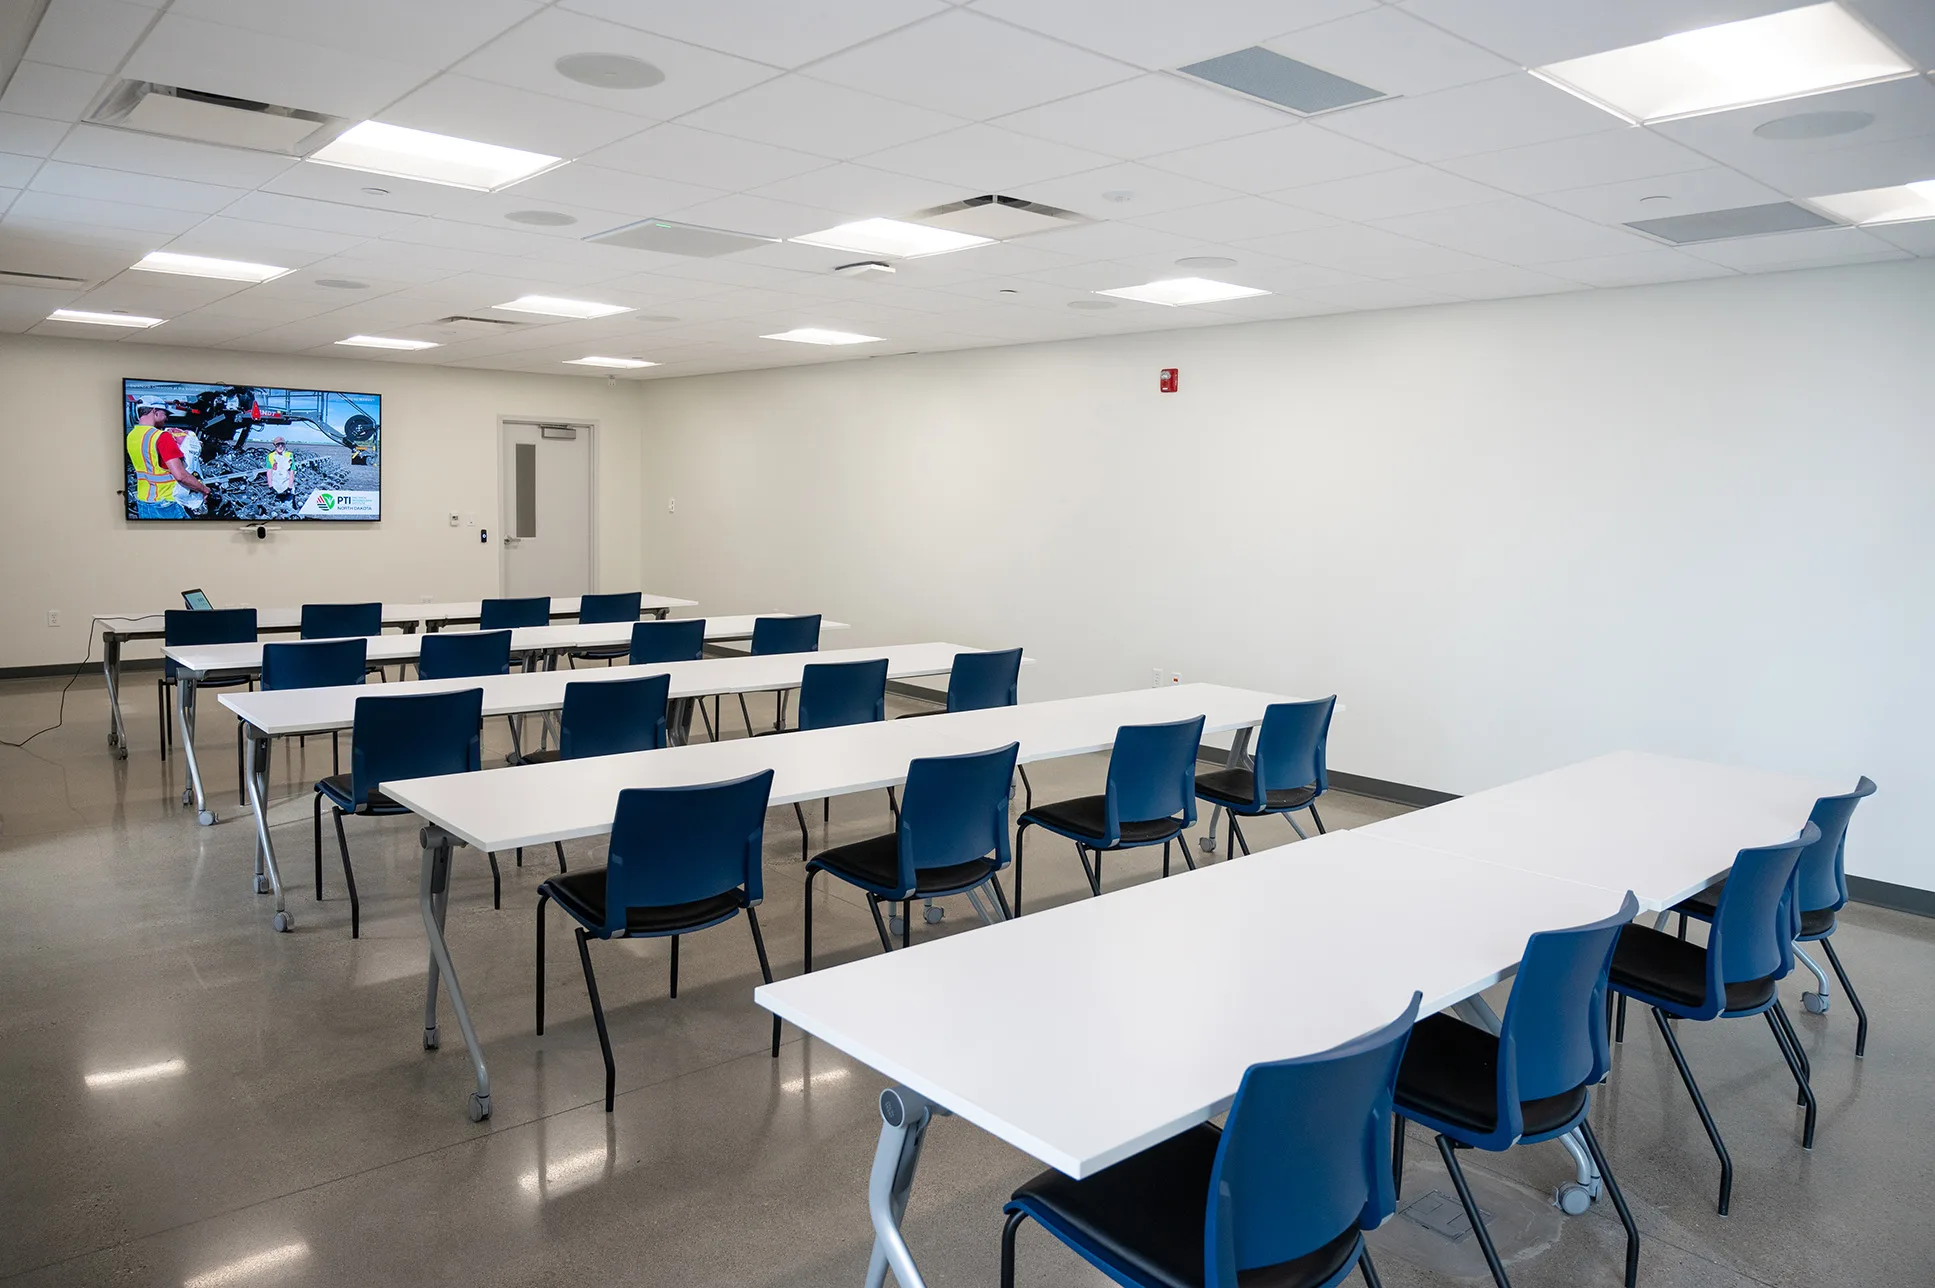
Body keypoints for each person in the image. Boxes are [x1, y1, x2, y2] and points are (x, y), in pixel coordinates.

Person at [126, 406, 212, 519]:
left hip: (144, 501)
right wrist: (204, 489)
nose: (166, 418)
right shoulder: (162, 437)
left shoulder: (132, 436)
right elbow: (181, 476)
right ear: (155, 411)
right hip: (167, 503)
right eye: (165, 414)